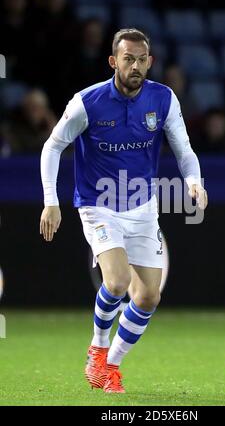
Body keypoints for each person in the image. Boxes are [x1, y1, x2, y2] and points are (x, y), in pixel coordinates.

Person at [39, 28, 208, 394]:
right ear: (114, 61)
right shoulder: (88, 102)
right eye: (128, 59)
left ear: (150, 61)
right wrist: (51, 201)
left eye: (142, 59)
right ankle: (98, 349)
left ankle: (111, 366)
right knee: (115, 282)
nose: (135, 66)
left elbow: (184, 148)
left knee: (148, 296)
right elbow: (52, 148)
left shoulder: (163, 99)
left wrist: (194, 180)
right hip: (99, 206)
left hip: (144, 207)